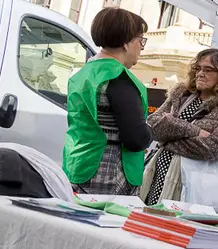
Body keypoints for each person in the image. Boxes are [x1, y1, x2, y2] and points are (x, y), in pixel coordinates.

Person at [63, 7, 152, 195]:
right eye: (140, 41)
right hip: (109, 174)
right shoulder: (119, 78)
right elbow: (136, 139)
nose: (141, 48)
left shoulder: (82, 75)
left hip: (77, 164)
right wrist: (153, 127)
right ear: (126, 42)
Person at [142, 48, 218, 205]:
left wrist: (167, 137)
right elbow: (152, 124)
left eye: (208, 70)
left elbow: (215, 147)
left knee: (176, 225)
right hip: (159, 175)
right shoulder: (181, 95)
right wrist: (193, 131)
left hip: (195, 186)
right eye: (198, 68)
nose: (200, 73)